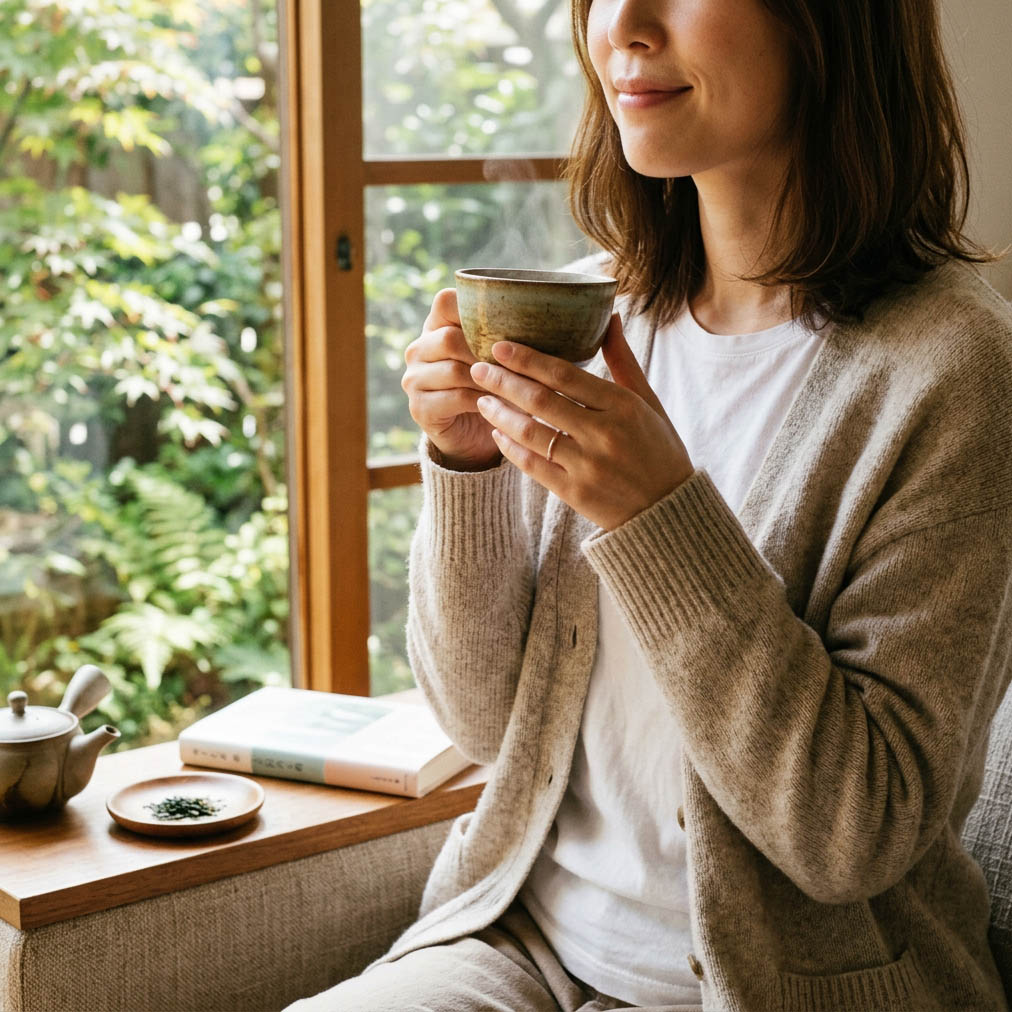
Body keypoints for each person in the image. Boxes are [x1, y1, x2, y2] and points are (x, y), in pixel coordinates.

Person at [288, 0, 1012, 1008]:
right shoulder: (590, 316)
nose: (618, 24)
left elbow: (855, 832)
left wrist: (659, 514)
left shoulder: (953, 370)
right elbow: (485, 725)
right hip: (519, 944)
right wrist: (467, 474)